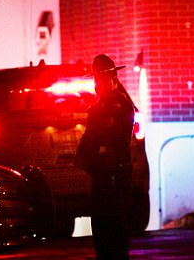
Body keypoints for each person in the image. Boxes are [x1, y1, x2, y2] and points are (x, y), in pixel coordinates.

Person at [75, 54, 137, 260]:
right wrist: (84, 156)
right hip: (101, 177)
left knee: (115, 228)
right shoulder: (97, 110)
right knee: (101, 228)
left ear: (112, 79)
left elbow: (115, 139)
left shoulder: (121, 107)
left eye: (100, 79)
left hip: (116, 175)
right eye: (95, 79)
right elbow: (88, 139)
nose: (97, 84)